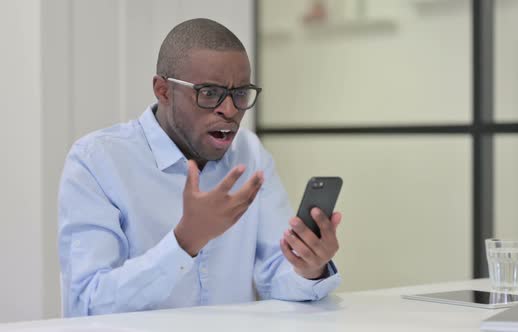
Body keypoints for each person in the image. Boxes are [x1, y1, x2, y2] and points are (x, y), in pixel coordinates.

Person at [58, 18, 343, 317]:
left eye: (241, 93)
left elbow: (276, 272)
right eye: (209, 93)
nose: (230, 110)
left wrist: (309, 269)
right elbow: (87, 305)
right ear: (163, 90)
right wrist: (184, 242)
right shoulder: (96, 161)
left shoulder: (250, 153)